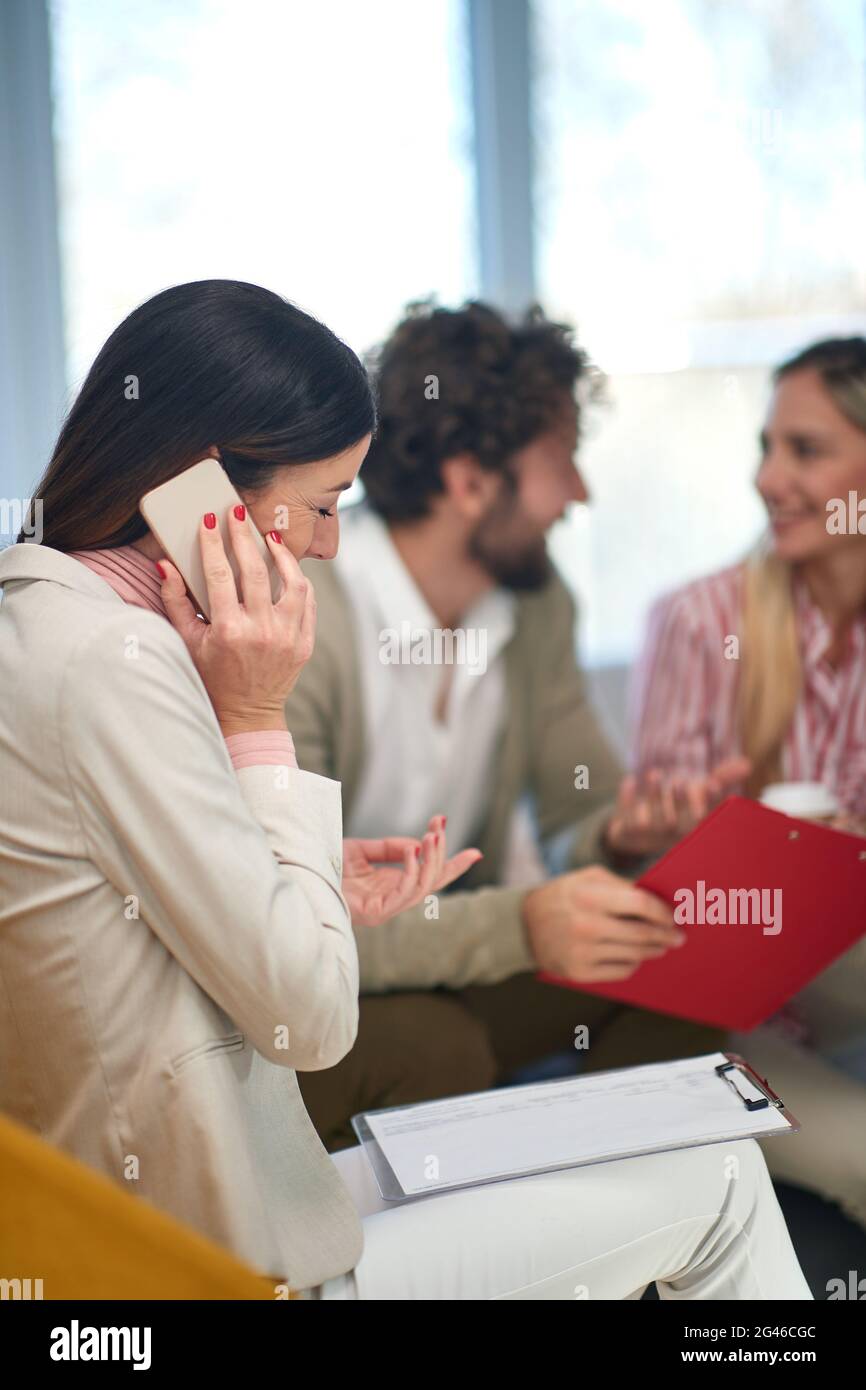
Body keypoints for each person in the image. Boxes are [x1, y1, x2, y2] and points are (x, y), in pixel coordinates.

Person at [0, 279, 809, 1299]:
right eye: (325, 503)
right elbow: (307, 1016)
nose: (330, 540)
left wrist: (313, 875)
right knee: (721, 1180)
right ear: (193, 490)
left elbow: (141, 912)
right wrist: (255, 715)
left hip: (230, 1196)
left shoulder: (50, 621)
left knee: (680, 1076)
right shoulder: (124, 661)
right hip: (211, 1258)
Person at [287, 300, 748, 1152]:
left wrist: (621, 831)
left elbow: (580, 820)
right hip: (317, 988)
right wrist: (520, 924)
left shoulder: (535, 607)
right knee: (439, 1047)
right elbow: (297, 922)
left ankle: (617, 1209)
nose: (580, 493)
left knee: (676, 954)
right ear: (469, 482)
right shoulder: (305, 613)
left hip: (454, 954)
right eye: (561, 460)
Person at [630, 336, 866, 1232]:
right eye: (767, 448)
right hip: (728, 1010)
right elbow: (671, 917)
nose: (768, 480)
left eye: (804, 450)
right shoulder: (702, 622)